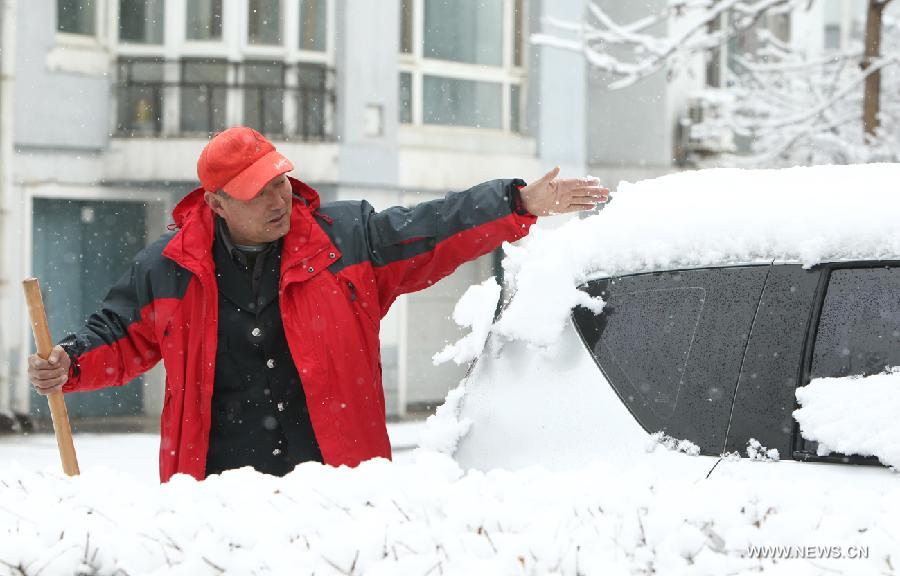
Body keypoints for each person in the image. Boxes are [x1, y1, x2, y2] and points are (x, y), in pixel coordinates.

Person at [27, 126, 609, 482]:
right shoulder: (168, 269)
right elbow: (119, 333)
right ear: (217, 202)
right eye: (259, 192)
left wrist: (515, 204)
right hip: (217, 493)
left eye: (281, 180)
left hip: (339, 488)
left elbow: (431, 230)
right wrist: (69, 362)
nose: (280, 198)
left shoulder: (346, 241)